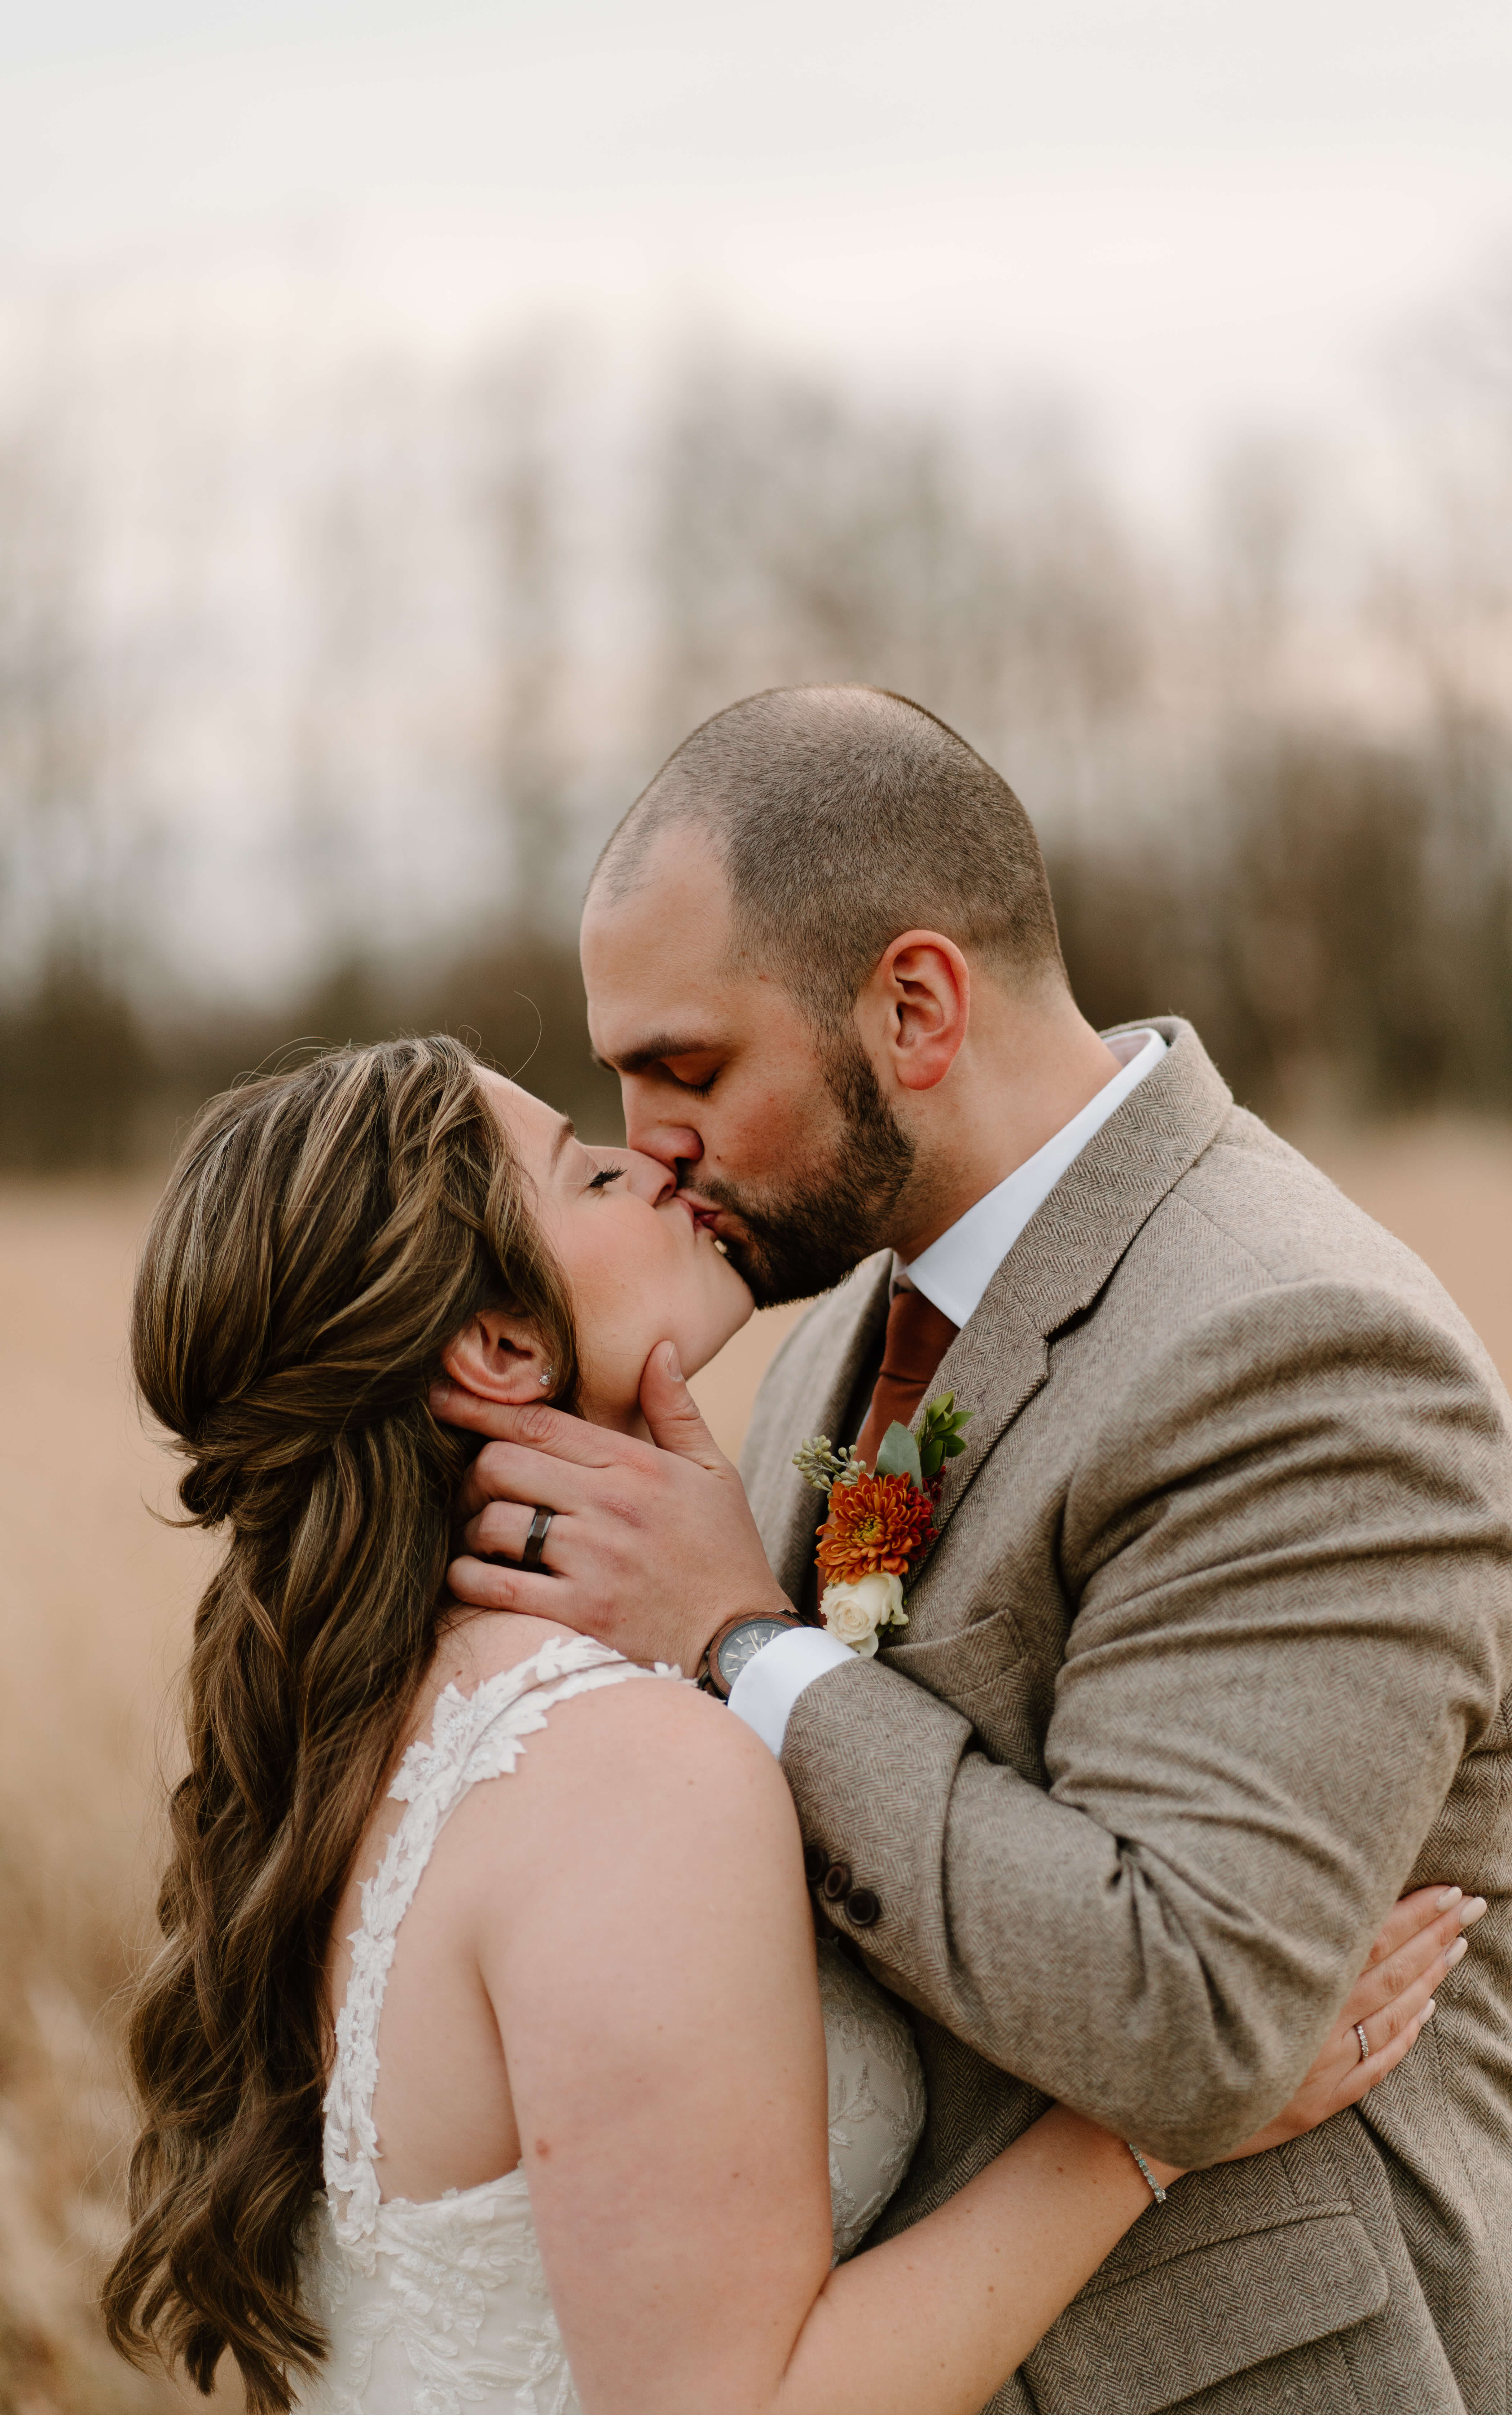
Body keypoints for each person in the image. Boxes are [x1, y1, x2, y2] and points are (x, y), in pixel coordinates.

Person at [101, 1035, 1459, 2415]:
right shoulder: (620, 1768)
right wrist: (1164, 2118)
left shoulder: (375, 1713)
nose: (653, 1164)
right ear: (500, 1345)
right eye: (588, 1171)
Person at [438, 685, 1512, 2414]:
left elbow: (1200, 2014)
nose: (650, 1145)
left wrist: (742, 1640)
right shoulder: (827, 1331)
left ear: (916, 1006)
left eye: (689, 1069)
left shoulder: (1302, 1346)